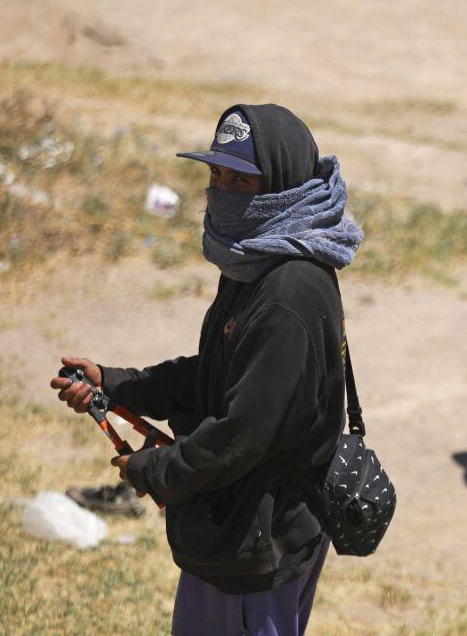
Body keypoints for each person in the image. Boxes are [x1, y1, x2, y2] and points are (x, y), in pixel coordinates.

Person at [51, 104, 363, 635]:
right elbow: (221, 372)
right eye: (216, 175)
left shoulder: (288, 292)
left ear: (281, 184)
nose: (221, 191)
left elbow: (243, 433)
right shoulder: (258, 258)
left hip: (261, 541)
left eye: (241, 180)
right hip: (237, 524)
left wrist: (157, 471)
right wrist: (117, 382)